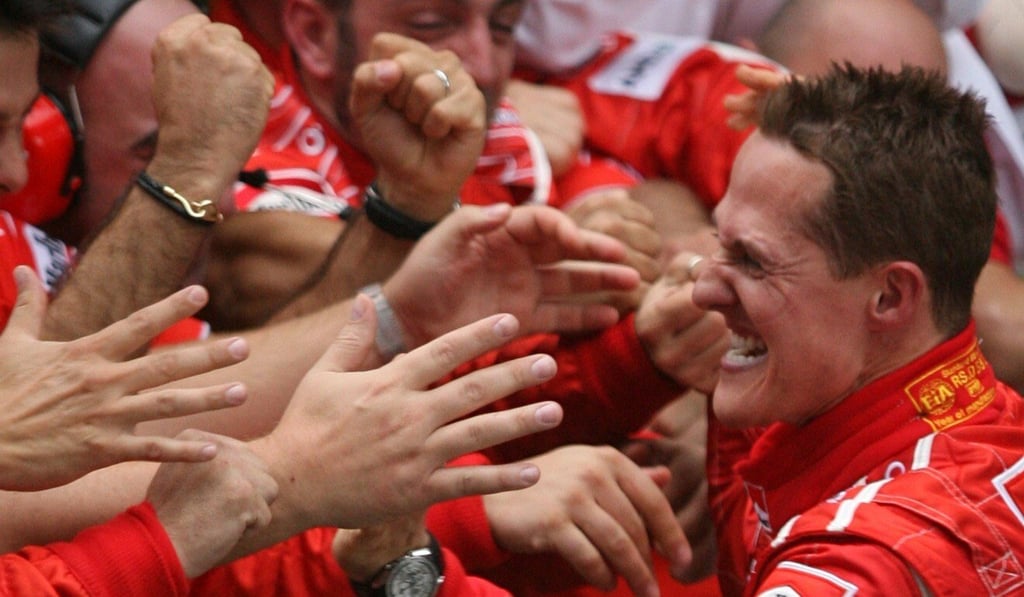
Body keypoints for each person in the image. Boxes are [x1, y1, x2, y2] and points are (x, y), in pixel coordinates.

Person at [694, 62, 1024, 595]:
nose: (701, 289)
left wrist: (503, 523)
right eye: (718, 243)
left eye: (752, 261)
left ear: (890, 297)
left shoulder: (858, 566)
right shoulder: (986, 425)